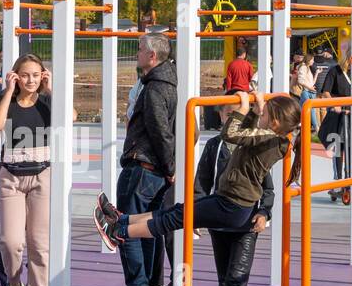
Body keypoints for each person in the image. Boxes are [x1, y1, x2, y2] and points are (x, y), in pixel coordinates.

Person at [97, 93, 301, 252]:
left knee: (174, 219)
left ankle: (119, 233)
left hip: (233, 206)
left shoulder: (270, 139)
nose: (261, 116)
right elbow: (246, 135)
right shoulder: (273, 137)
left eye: (264, 115)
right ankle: (121, 219)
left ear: (274, 123)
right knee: (175, 211)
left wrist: (244, 109)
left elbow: (230, 134)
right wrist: (256, 113)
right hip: (229, 201)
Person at [0, 54, 62, 286]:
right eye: (25, 75)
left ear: (43, 76)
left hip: (42, 176)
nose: (31, 80)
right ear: (16, 76)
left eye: (36, 75)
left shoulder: (48, 102)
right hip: (11, 177)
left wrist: (50, 89)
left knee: (39, 244)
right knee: (10, 241)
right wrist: (7, 92)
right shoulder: (7, 102)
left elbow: (70, 117)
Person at [193, 99, 276, 286]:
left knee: (236, 281)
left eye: (237, 113)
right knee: (224, 285)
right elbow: (202, 182)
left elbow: (268, 187)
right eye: (228, 113)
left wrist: (264, 213)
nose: (232, 117)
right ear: (220, 115)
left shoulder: (254, 145)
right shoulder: (214, 146)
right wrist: (197, 216)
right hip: (219, 221)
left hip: (245, 223)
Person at [110, 35, 177, 286]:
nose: (136, 54)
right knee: (148, 227)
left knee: (126, 225)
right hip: (155, 168)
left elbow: (160, 130)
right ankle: (147, 284)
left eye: (140, 50)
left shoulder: (153, 89)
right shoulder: (168, 84)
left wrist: (169, 165)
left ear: (152, 56)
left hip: (144, 165)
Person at [317, 41, 352, 204]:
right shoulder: (335, 71)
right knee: (337, 151)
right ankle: (338, 182)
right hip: (337, 118)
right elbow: (325, 92)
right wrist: (335, 105)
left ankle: (350, 182)